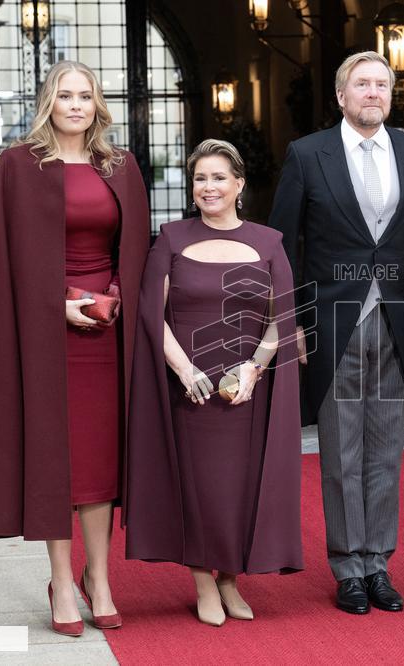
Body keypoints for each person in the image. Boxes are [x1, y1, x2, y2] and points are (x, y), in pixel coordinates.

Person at [0, 61, 150, 637]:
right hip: (46, 334)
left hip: (108, 332)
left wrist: (115, 295)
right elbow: (12, 257)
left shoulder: (120, 165)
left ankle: (99, 578)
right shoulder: (20, 164)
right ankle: (60, 580)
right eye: (65, 95)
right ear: (48, 101)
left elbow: (135, 248)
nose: (76, 105)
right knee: (57, 459)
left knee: (100, 461)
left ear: (98, 105)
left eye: (85, 96)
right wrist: (57, 303)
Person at [269, 51, 404, 615]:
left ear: (391, 95)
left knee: (387, 448)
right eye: (362, 84)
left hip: (397, 316)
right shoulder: (307, 154)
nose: (373, 93)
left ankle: (378, 564)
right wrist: (292, 320)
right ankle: (348, 567)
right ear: (341, 96)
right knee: (341, 451)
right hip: (331, 318)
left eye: (381, 85)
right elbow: (283, 246)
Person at [124, 139, 303, 627]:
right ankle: (204, 580)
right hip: (189, 388)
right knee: (197, 487)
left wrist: (254, 369)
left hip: (246, 388)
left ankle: (229, 579)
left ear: (239, 185)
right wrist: (184, 370)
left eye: (219, 178)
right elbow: (150, 313)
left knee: (239, 488)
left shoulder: (269, 242)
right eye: (200, 178)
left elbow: (282, 316)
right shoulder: (171, 239)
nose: (209, 187)